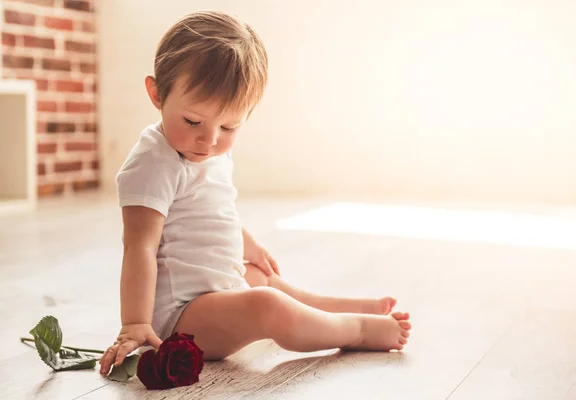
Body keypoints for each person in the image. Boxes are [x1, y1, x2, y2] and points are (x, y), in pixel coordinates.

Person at [99, 10, 411, 376]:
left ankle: (334, 308)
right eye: (193, 121)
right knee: (267, 305)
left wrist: (247, 245)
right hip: (182, 316)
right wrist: (135, 323)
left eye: (229, 125)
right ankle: (355, 330)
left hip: (216, 288)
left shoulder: (210, 150)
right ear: (156, 94)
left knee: (261, 277)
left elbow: (211, 213)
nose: (210, 139)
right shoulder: (151, 164)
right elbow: (140, 247)